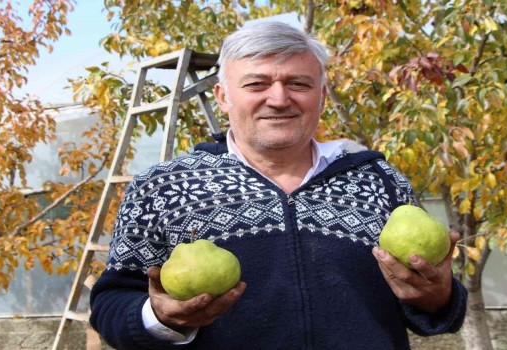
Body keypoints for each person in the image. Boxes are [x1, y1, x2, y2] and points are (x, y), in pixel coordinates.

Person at [89, 21, 467, 350]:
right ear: (223, 97)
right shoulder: (162, 187)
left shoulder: (380, 181)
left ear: (320, 96)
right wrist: (161, 317)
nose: (279, 98)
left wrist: (440, 296)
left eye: (298, 83)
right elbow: (111, 305)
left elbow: (433, 305)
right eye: (257, 83)